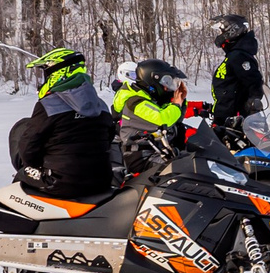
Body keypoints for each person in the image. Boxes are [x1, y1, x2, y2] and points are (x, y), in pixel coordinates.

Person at [10, 46, 117, 201]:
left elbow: (28, 147)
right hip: (102, 180)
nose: (44, 79)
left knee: (20, 178)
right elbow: (109, 139)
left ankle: (26, 223)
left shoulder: (49, 104)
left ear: (58, 72)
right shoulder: (100, 104)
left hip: (63, 182)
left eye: (46, 73)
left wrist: (37, 164)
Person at [114, 59, 188, 172]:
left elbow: (174, 121)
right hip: (140, 157)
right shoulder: (135, 102)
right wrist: (176, 104)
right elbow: (162, 119)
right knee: (180, 169)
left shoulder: (149, 99)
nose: (167, 88)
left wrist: (180, 101)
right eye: (166, 82)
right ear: (152, 81)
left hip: (156, 151)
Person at [209, 14, 264, 141]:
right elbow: (228, 88)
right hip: (224, 120)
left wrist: (252, 105)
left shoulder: (239, 56)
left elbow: (254, 82)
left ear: (233, 30)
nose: (220, 34)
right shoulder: (233, 55)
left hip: (234, 123)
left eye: (222, 30)